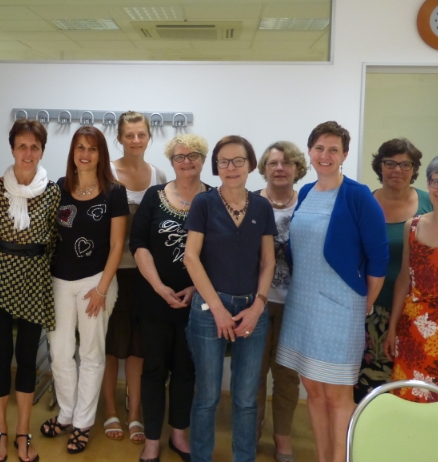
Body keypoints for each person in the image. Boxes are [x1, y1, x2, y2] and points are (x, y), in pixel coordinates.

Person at [276, 121, 388, 462]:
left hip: (341, 309)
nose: (325, 155)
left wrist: (364, 302)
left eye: (333, 150)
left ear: (345, 155)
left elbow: (379, 257)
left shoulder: (357, 195)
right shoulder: (306, 192)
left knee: (338, 396)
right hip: (302, 304)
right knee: (313, 390)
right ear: (310, 151)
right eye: (319, 148)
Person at [183, 135, 276, 462]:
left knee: (246, 400)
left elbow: (268, 261)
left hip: (253, 310)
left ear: (250, 165)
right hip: (210, 310)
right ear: (216, 166)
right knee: (207, 396)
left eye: (238, 161)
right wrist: (218, 310)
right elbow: (191, 258)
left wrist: (258, 306)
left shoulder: (262, 206)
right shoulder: (204, 203)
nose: (231, 167)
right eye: (224, 162)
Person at [40, 126, 128, 454]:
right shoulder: (60, 187)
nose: (85, 154)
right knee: (61, 352)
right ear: (72, 152)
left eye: (92, 148)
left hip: (96, 282)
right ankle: (66, 413)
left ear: (101, 154)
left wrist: (102, 289)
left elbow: (117, 245)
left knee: (91, 354)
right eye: (80, 147)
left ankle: (83, 422)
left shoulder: (114, 192)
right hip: (59, 281)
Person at [0, 119, 61, 462]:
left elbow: (56, 238)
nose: (28, 153)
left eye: (35, 147)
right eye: (22, 146)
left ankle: (23, 432)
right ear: (12, 149)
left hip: (34, 280)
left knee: (27, 358)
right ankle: (0, 431)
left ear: (42, 151)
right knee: (1, 356)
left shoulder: (53, 191)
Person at [131, 134, 212, 462]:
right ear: (172, 161)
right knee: (153, 369)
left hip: (197, 302)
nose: (186, 161)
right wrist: (158, 286)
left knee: (186, 370)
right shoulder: (154, 196)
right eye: (179, 156)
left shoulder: (214, 199)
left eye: (193, 155)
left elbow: (219, 252)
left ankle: (179, 434)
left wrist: (196, 287)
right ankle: (152, 439)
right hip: (155, 300)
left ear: (202, 159)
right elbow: (138, 243)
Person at [102, 111, 167, 444]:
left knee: (138, 348)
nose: (136, 140)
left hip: (146, 275)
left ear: (149, 137)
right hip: (111, 272)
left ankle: (135, 412)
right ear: (119, 138)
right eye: (129, 135)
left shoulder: (159, 175)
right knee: (110, 346)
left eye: (141, 134)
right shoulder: (106, 172)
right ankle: (110, 409)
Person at [385, 152, 438, 403]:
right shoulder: (412, 226)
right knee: (408, 407)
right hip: (412, 333)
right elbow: (404, 280)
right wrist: (392, 328)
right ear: (428, 182)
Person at [354, 138, 431, 403]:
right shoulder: (363, 202)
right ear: (380, 166)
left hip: (414, 312)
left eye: (405, 164)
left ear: (414, 169)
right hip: (368, 309)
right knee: (368, 386)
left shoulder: (430, 203)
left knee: (408, 386)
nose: (397, 170)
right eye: (390, 163)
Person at [254, 142, 307, 462]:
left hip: (296, 305)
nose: (279, 168)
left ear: (297, 168)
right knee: (253, 373)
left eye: (287, 163)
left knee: (287, 376)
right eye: (273, 163)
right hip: (256, 303)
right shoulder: (250, 202)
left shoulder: (308, 203)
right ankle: (251, 432)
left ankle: (282, 438)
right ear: (264, 168)